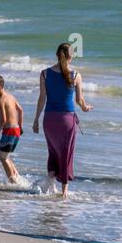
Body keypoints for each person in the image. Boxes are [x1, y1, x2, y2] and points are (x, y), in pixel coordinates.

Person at [32, 42, 93, 196]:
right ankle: (64, 192)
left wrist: (36, 119)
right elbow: (79, 101)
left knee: (53, 152)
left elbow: (42, 99)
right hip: (67, 120)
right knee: (66, 154)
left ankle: (50, 186)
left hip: (49, 119)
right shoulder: (76, 75)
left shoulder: (44, 74)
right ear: (71, 57)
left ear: (56, 55)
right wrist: (86, 108)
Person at [0, 74, 24, 183]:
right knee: (5, 155)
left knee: (2, 157)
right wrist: (20, 127)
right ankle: (16, 176)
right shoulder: (11, 97)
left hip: (9, 130)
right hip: (16, 129)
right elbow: (21, 111)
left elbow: (3, 119)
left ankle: (13, 181)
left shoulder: (0, 101)